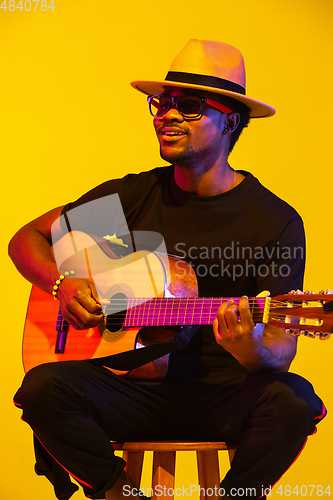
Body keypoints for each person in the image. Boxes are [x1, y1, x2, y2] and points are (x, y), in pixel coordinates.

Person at [9, 39, 326, 500]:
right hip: (130, 391)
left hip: (223, 393)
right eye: (162, 103)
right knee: (42, 388)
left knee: (294, 399)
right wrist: (61, 283)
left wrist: (251, 347)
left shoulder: (272, 220)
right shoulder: (132, 198)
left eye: (189, 106)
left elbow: (280, 351)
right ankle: (119, 493)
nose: (167, 115)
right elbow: (28, 239)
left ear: (229, 121)